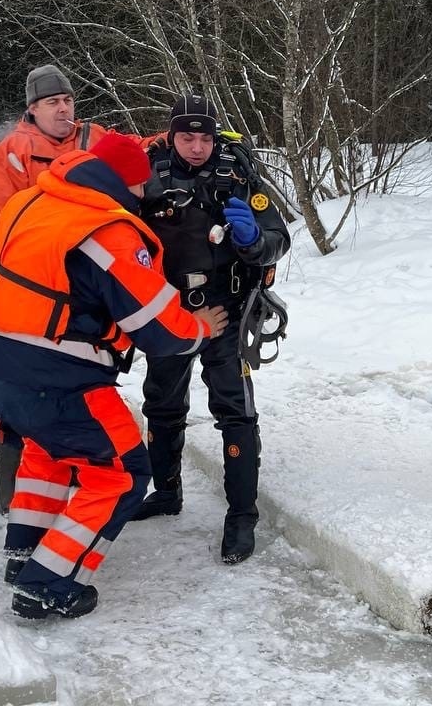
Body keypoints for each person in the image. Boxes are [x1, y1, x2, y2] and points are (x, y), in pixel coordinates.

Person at [0, 131, 229, 620]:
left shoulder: (31, 200)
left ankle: (24, 550)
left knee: (49, 453)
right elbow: (157, 329)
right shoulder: (107, 231)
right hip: (60, 376)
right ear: (125, 184)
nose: (143, 200)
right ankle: (48, 584)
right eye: (140, 190)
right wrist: (200, 328)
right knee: (123, 473)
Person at [132, 94, 291, 564]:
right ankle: (166, 491)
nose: (197, 147)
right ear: (171, 134)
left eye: (205, 137)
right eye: (187, 137)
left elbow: (277, 240)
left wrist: (253, 239)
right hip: (169, 312)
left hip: (225, 309)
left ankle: (242, 516)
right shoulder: (147, 175)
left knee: (236, 412)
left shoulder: (239, 174)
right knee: (161, 403)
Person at [0, 65, 107, 515]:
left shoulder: (94, 141)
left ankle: (75, 484)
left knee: (80, 389)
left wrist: (173, 137)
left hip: (86, 293)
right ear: (32, 109)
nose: (63, 108)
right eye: (53, 102)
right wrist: (20, 283)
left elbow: (135, 155)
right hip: (30, 294)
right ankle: (11, 491)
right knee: (19, 394)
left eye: (68, 100)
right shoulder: (11, 154)